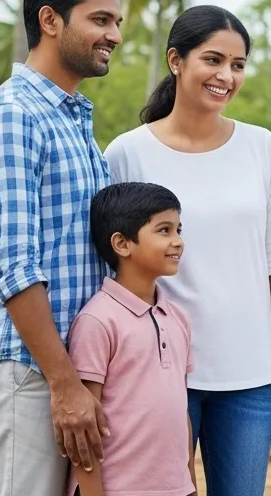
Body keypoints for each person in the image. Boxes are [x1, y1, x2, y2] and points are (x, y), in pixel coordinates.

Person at [102, 5, 271, 495]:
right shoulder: (127, 153)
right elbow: (113, 273)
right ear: (176, 61)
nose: (226, 75)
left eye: (238, 65)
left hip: (249, 378)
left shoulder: (262, 148)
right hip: (157, 375)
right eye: (213, 60)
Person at [0, 0, 128, 495]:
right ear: (51, 20)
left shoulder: (74, 120)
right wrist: (64, 384)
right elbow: (15, 268)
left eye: (117, 22)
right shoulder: (14, 115)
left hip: (70, 373)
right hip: (28, 372)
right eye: (101, 20)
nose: (115, 35)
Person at [67, 182, 195, 496]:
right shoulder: (97, 321)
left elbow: (182, 413)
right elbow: (85, 430)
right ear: (122, 244)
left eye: (179, 229)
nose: (178, 241)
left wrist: (190, 485)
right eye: (164, 230)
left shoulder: (179, 319)